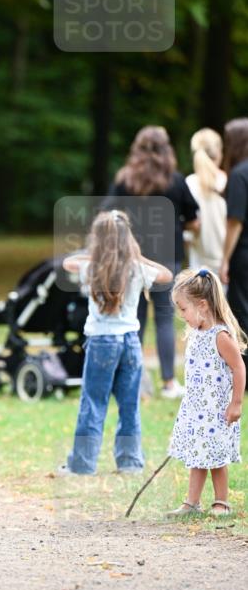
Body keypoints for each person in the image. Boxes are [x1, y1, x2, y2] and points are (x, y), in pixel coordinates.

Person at [56, 210, 172, 477]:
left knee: (93, 403)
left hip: (101, 342)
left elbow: (67, 263)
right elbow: (166, 275)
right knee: (129, 404)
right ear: (128, 239)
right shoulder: (137, 268)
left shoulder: (92, 268)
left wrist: (97, 254)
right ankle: (130, 463)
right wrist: (137, 256)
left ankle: (82, 465)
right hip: (130, 342)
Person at [106, 125, 198, 399]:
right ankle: (169, 383)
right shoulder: (176, 180)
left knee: (134, 317)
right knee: (165, 319)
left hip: (131, 257)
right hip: (166, 258)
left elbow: (107, 213)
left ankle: (133, 381)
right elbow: (194, 220)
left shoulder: (125, 180)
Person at [166, 269, 245, 516]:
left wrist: (236, 403)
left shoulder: (220, 336)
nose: (182, 315)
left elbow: (239, 368)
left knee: (215, 457)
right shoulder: (195, 333)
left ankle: (221, 502)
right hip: (196, 410)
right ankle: (192, 503)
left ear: (202, 305)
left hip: (216, 411)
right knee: (197, 455)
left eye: (183, 309)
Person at [220, 117, 248, 378]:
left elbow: (235, 221)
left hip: (244, 255)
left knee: (241, 313)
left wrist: (225, 258)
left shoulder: (240, 174)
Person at [184, 128, 227, 274]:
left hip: (198, 266)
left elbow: (189, 230)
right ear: (219, 152)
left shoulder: (189, 183)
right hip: (226, 267)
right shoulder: (229, 182)